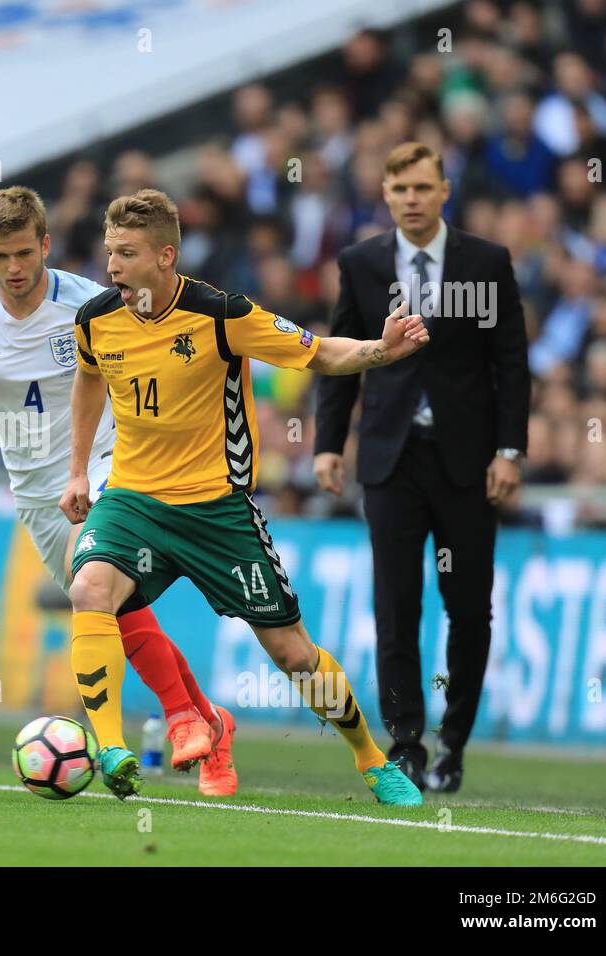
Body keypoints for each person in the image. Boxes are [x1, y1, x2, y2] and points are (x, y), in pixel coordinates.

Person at [63, 188, 427, 805]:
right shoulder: (96, 320)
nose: (113, 267)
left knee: (293, 654)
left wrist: (381, 350)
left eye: (126, 254)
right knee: (88, 589)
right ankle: (112, 748)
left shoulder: (221, 314)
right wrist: (78, 471)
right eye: (109, 253)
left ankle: (372, 761)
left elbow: (318, 353)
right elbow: (88, 382)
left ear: (166, 256)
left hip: (218, 509)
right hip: (134, 500)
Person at [0, 186, 238, 797]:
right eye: (1, 256)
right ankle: (211, 723)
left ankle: (164, 725)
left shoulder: (90, 302)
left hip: (109, 466)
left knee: (96, 586)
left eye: (25, 253)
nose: (15, 268)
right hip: (34, 493)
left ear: (46, 245)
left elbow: (170, 337)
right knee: (114, 611)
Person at [313, 142, 530, 793]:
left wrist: (509, 450)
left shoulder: (485, 263)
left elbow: (511, 362)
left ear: (443, 191)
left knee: (469, 608)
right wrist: (328, 443)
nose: (410, 198)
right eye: (399, 187)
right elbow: (339, 355)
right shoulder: (361, 263)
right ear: (384, 193)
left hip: (466, 463)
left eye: (421, 187)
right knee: (396, 602)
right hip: (390, 457)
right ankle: (406, 741)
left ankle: (453, 744)